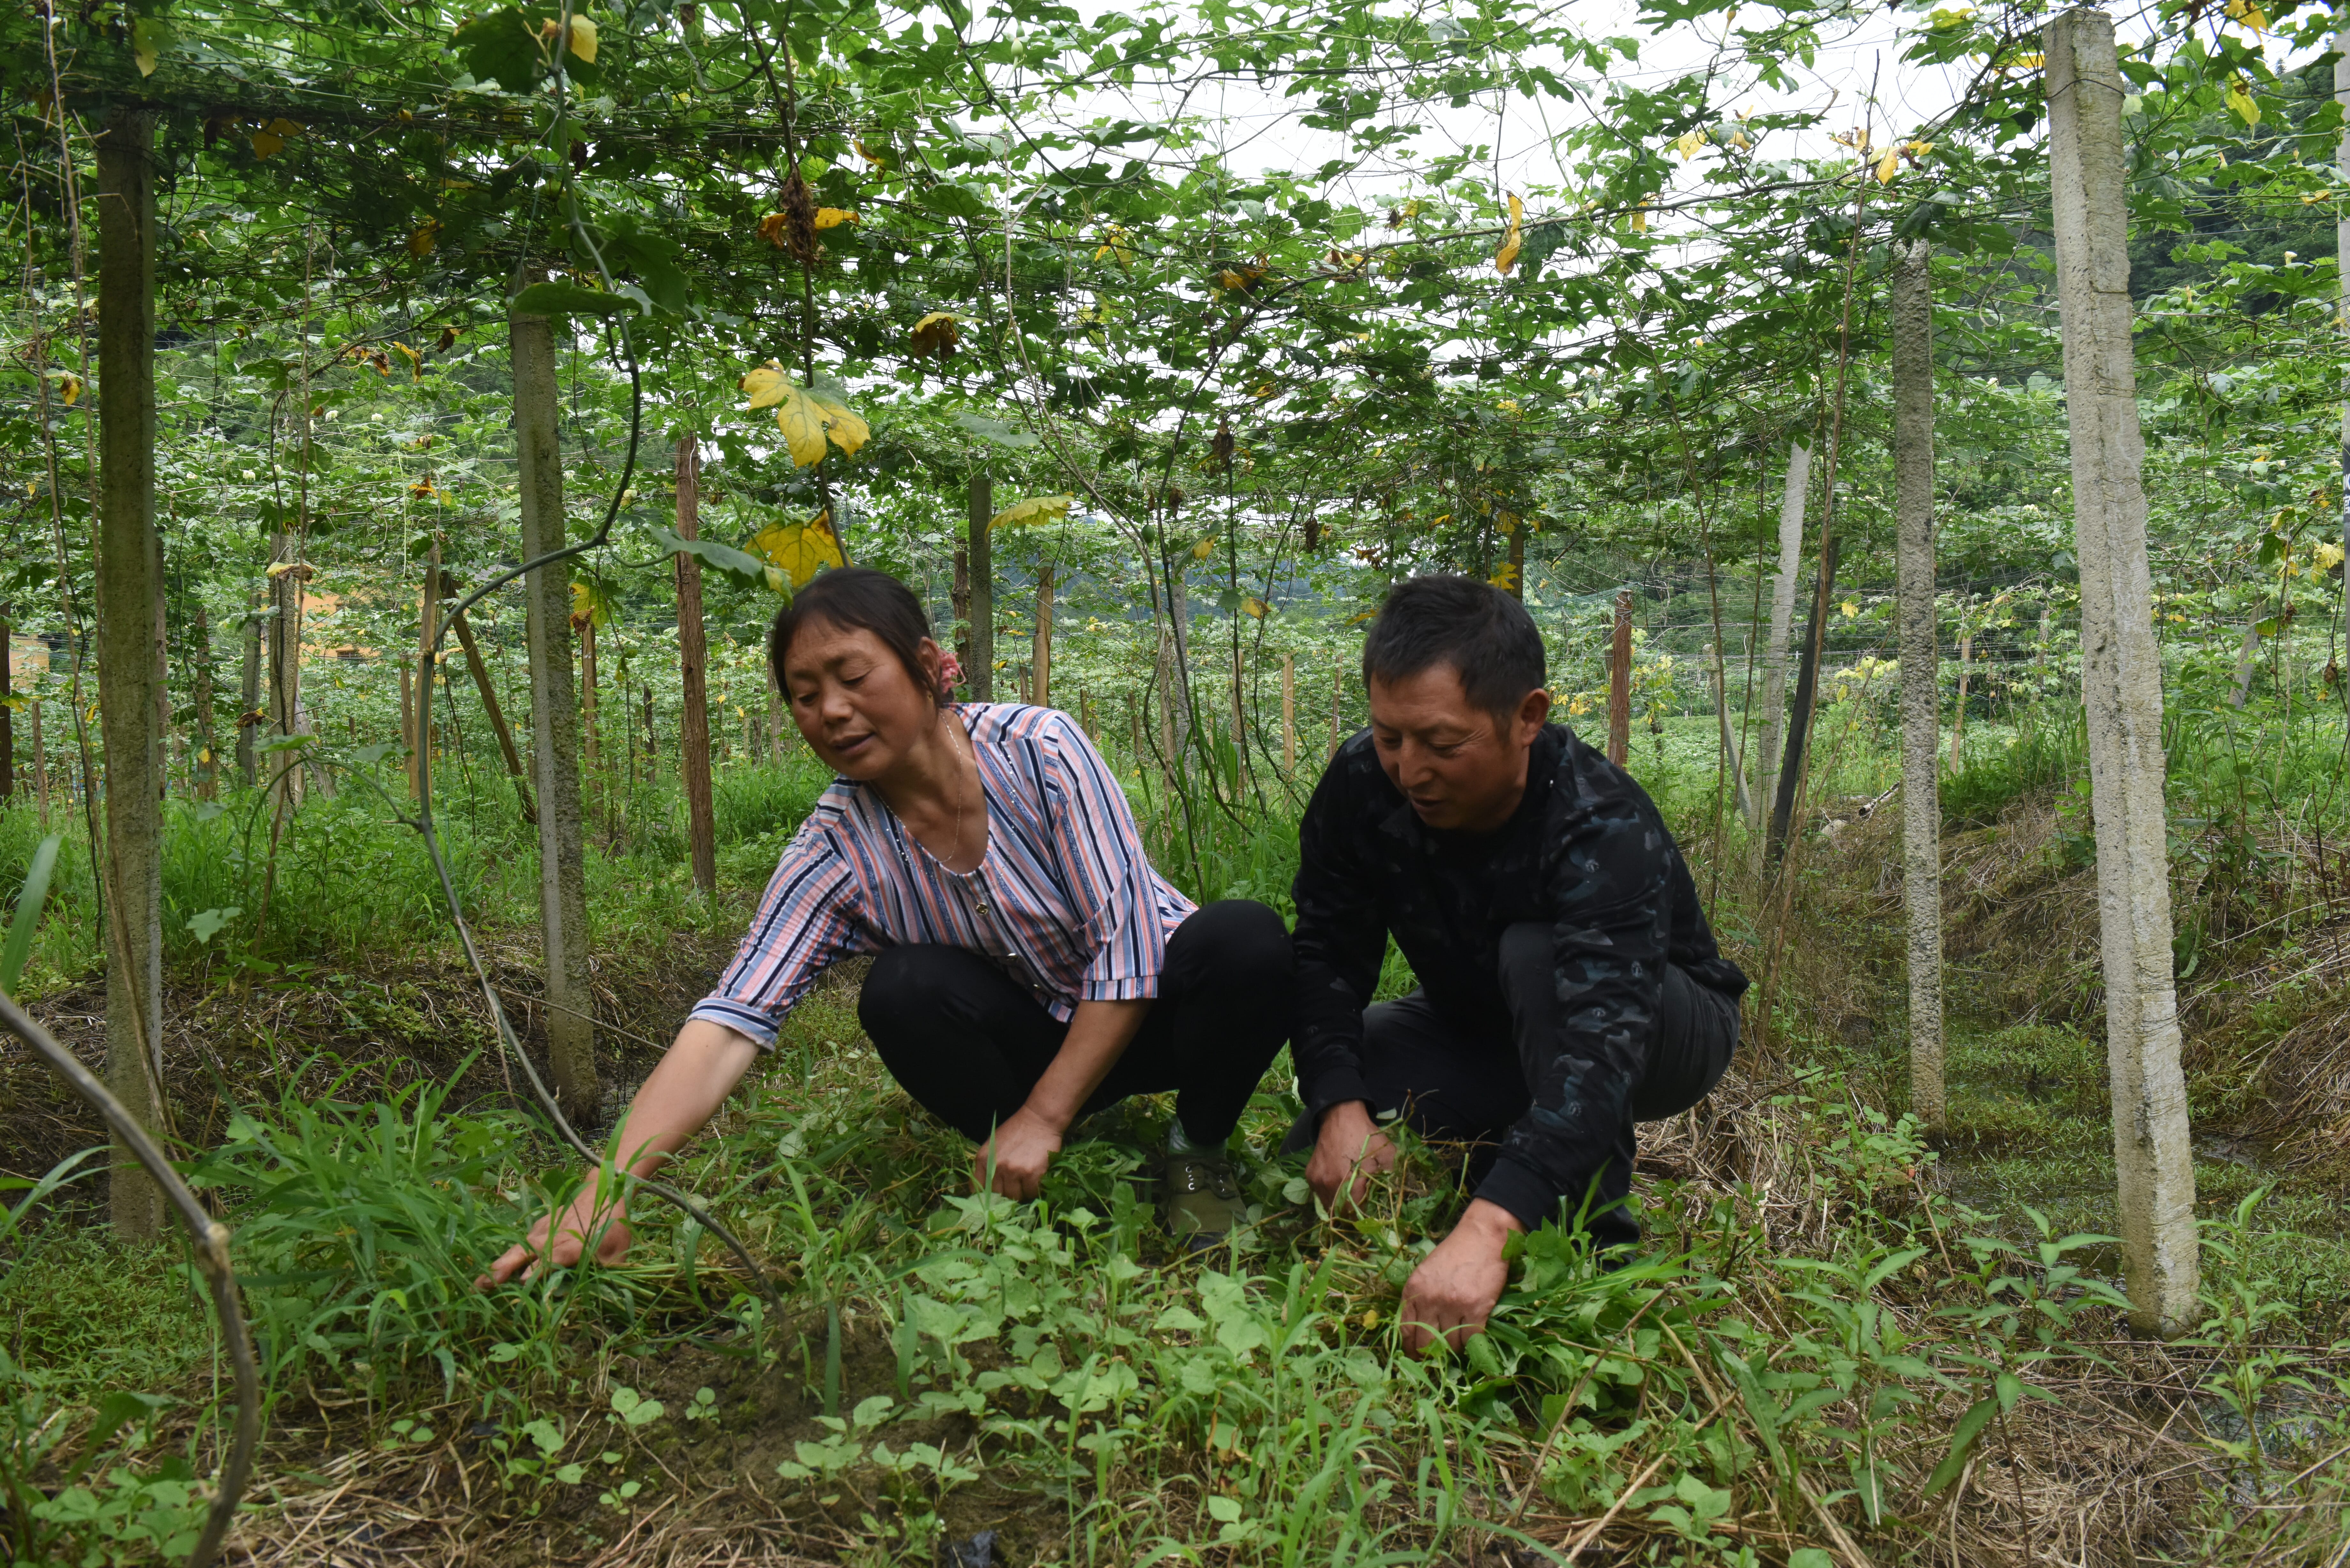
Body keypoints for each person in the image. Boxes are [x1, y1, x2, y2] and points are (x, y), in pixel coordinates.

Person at [484, 567, 1291, 1285]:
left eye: (852, 675)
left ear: (929, 665)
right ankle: (1033, 1151)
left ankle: (1196, 1151)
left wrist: (1043, 1114)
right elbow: (730, 1019)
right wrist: (603, 1194)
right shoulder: (834, 848)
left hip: (1155, 1017)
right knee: (903, 989)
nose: (831, 710)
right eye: (804, 695)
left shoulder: (1039, 749)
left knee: (1245, 940)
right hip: (1033, 1040)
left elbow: (1129, 944)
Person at [1286, 574, 1747, 1353]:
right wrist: (1340, 1108)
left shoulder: (1598, 822)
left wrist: (1489, 1229)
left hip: (1657, 1030)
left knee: (1535, 956)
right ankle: (1510, 1148)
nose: (1410, 770)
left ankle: (1589, 1247)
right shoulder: (1363, 782)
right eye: (1390, 735)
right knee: (1328, 1118)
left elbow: (1601, 1049)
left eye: (1442, 743)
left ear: (1526, 716)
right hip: (1480, 1021)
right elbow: (1327, 947)